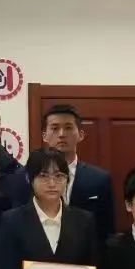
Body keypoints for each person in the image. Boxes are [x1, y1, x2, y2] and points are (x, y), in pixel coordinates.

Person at [41, 103, 115, 242]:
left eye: (68, 128)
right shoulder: (27, 177)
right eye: (55, 128)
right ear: (44, 136)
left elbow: (106, 231)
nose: (61, 134)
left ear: (81, 135)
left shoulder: (99, 179)